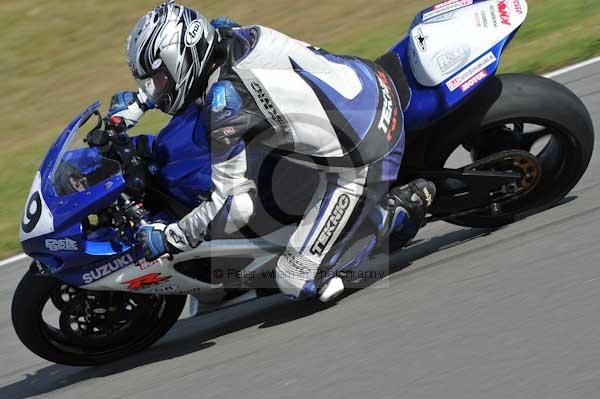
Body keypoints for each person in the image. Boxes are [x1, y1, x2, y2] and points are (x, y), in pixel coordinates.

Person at [108, 1, 436, 302]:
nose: (158, 88)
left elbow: (234, 206)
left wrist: (171, 239)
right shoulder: (225, 34)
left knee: (295, 279)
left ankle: (392, 216)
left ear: (181, 60)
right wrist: (138, 105)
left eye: (160, 79)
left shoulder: (226, 104)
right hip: (360, 83)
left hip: (367, 152)